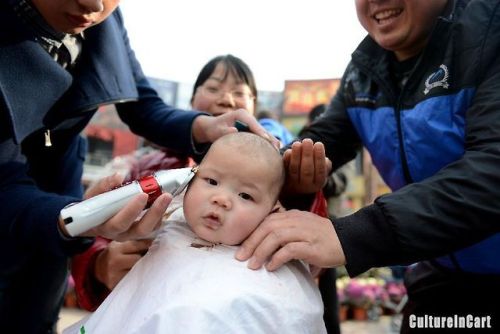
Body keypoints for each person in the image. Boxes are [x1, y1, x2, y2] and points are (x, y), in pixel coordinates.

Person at [0, 1, 275, 332]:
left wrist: (201, 127)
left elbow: (143, 105)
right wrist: (84, 233)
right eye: (213, 89)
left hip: (61, 188)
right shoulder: (142, 169)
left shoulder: (104, 19)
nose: (94, 4)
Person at [236, 0, 500, 332]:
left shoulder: (491, 30)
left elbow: (492, 170)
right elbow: (320, 140)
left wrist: (351, 235)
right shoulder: (363, 70)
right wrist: (253, 175)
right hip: (442, 274)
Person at [65, 132, 327, 334]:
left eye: (245, 195)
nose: (221, 199)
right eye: (211, 181)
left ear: (272, 210)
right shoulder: (162, 220)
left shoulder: (271, 257)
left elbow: (293, 313)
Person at [71, 53, 263, 310]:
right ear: (192, 99)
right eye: (214, 88)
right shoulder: (148, 169)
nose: (226, 100)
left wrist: (304, 191)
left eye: (239, 93)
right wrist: (99, 263)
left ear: (254, 107)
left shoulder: (275, 173)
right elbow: (100, 232)